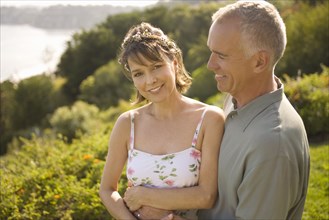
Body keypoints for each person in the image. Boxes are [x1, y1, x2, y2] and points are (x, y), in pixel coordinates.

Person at [99, 22, 225, 220]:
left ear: (174, 64)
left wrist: (143, 195)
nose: (150, 81)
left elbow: (207, 196)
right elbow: (107, 190)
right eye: (139, 73)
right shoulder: (127, 123)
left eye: (156, 67)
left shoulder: (209, 119)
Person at [197, 1, 310, 219]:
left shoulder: (272, 146)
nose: (210, 64)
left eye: (221, 55)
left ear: (259, 62)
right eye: (211, 52)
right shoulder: (235, 97)